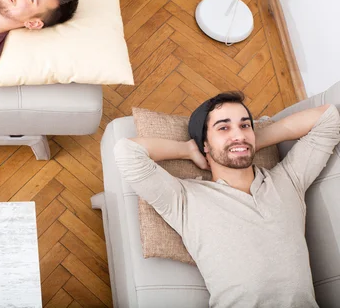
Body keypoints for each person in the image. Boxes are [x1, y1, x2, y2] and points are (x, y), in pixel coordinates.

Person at [114, 91, 340, 308]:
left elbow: (328, 118)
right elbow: (127, 152)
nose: (238, 133)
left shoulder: (289, 180)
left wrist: (250, 142)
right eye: (223, 128)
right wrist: (187, 150)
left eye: (245, 125)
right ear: (205, 143)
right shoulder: (184, 200)